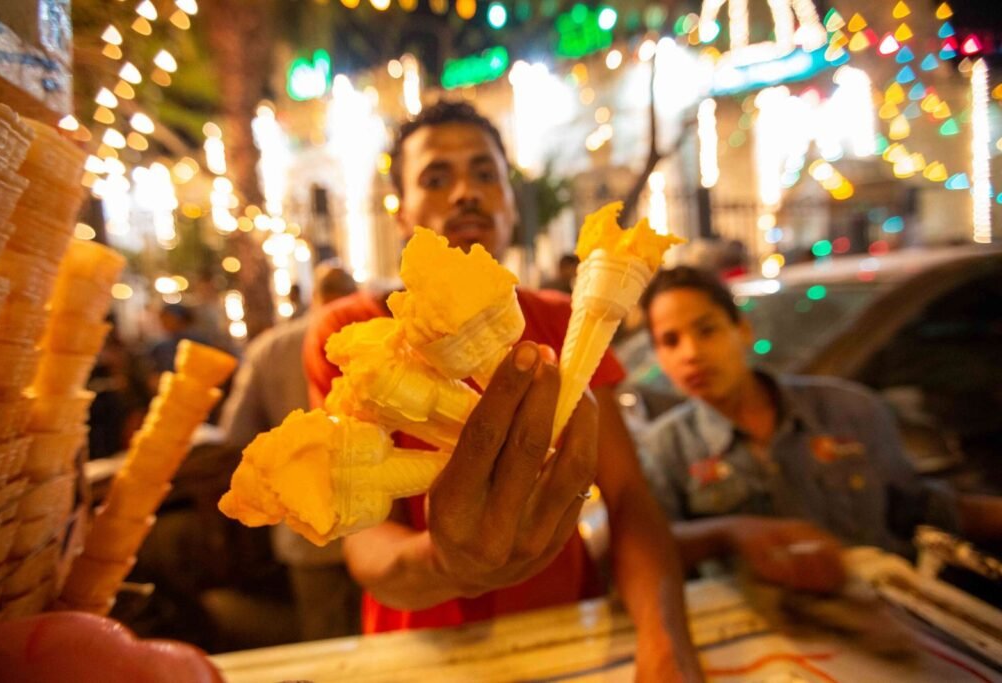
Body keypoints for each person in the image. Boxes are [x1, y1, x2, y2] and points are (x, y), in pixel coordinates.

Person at [303, 101, 703, 680]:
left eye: (486, 174)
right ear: (402, 213)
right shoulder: (351, 334)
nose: (466, 192)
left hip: (566, 634)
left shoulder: (569, 323)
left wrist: (666, 643)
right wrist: (446, 561)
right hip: (420, 650)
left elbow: (628, 498)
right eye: (436, 178)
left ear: (512, 203)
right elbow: (359, 533)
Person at [637, 265, 1002, 592]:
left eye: (707, 330)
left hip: (874, 615)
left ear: (742, 330)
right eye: (670, 341)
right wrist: (729, 533)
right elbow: (654, 549)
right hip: (753, 636)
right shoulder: (664, 448)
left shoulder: (850, 411)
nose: (691, 353)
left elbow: (915, 505)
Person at [219, 262, 360, 640]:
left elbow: (235, 434)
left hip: (305, 525)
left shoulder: (269, 349)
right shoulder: (378, 336)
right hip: (381, 520)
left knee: (325, 637)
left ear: (315, 296)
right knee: (389, 639)